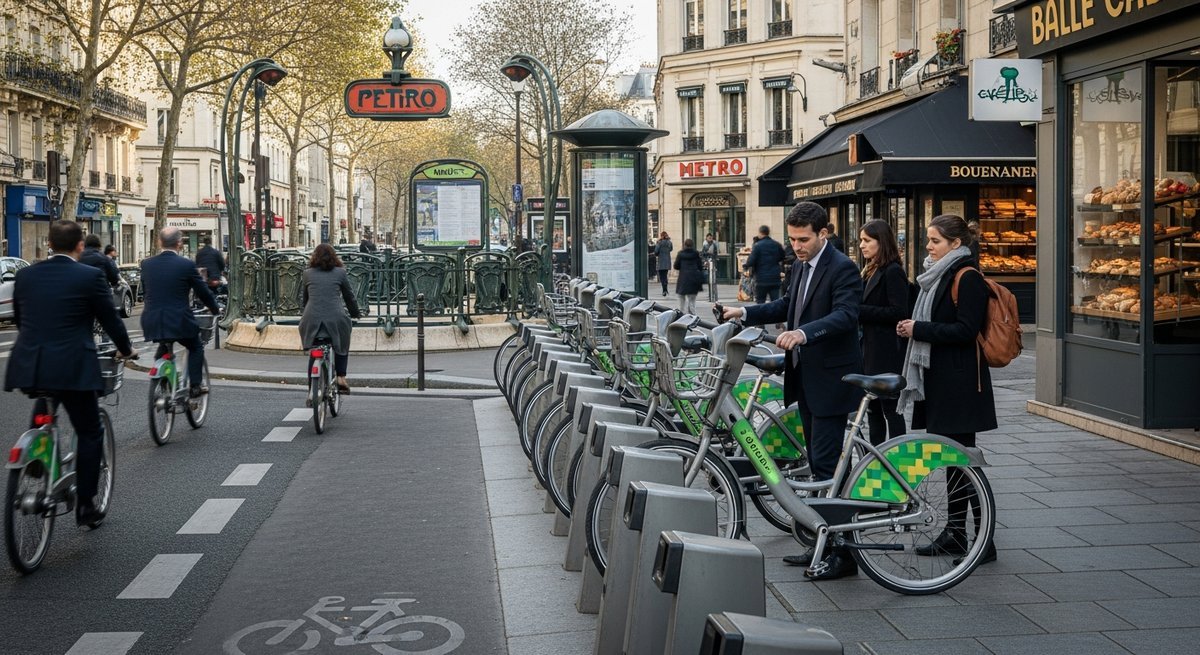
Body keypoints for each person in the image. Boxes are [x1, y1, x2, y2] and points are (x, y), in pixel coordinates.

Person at [723, 202, 864, 580]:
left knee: (829, 466)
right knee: (818, 465)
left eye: (803, 239)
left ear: (824, 234)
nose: (797, 246)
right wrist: (747, 313)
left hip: (833, 380)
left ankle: (843, 554)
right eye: (793, 239)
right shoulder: (801, 265)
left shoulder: (843, 268)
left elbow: (847, 315)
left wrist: (804, 333)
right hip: (805, 377)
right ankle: (820, 541)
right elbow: (790, 305)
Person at [3, 220, 134, 527]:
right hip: (74, 365)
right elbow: (111, 320)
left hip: (32, 364)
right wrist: (126, 350)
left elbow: (22, 320)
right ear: (79, 246)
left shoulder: (26, 275)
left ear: (49, 244)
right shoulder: (90, 276)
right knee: (90, 431)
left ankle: (37, 457)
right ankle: (87, 505)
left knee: (45, 409)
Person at [896, 214, 998, 566]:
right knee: (951, 462)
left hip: (959, 383)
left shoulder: (967, 277)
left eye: (935, 241)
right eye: (928, 239)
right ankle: (956, 534)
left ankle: (983, 541)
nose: (928, 246)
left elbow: (966, 330)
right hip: (940, 381)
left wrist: (920, 329)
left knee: (964, 462)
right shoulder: (937, 275)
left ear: (956, 244)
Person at [141, 227, 221, 398]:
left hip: (151, 320)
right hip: (178, 320)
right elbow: (203, 292)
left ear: (159, 242)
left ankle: (164, 384)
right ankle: (195, 386)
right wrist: (215, 309)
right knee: (195, 347)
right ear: (179, 244)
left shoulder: (146, 264)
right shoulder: (186, 265)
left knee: (163, 346)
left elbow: (146, 291)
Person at [857, 219, 909, 445]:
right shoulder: (869, 270)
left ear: (882, 242)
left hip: (886, 350)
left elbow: (898, 311)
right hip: (870, 349)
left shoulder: (892, 271)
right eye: (861, 240)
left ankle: (899, 460)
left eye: (867, 240)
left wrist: (859, 311)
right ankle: (875, 458)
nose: (861, 245)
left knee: (891, 410)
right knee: (873, 409)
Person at [299, 244, 362, 393]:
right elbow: (349, 297)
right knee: (342, 343)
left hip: (311, 318)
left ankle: (310, 393)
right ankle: (341, 377)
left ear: (314, 256)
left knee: (314, 352)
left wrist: (304, 313)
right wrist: (355, 313)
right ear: (334, 256)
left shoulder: (307, 273)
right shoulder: (340, 273)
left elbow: (305, 299)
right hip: (336, 318)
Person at [743, 225, 786, 304]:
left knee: (760, 302)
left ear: (760, 233)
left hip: (761, 278)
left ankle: (762, 316)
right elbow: (783, 256)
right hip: (775, 277)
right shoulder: (776, 244)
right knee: (775, 302)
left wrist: (745, 266)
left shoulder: (757, 246)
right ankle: (775, 315)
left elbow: (751, 260)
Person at [673, 238, 704, 315]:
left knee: (681, 298)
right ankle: (692, 314)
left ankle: (681, 314)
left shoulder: (680, 254)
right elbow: (700, 266)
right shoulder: (696, 254)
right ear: (692, 245)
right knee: (692, 300)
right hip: (693, 279)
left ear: (684, 245)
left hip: (683, 278)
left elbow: (676, 266)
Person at [654, 231, 673, 297]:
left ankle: (664, 289)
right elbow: (671, 249)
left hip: (661, 261)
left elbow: (656, 251)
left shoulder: (659, 243)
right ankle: (665, 289)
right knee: (665, 275)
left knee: (662, 277)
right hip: (667, 261)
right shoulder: (669, 242)